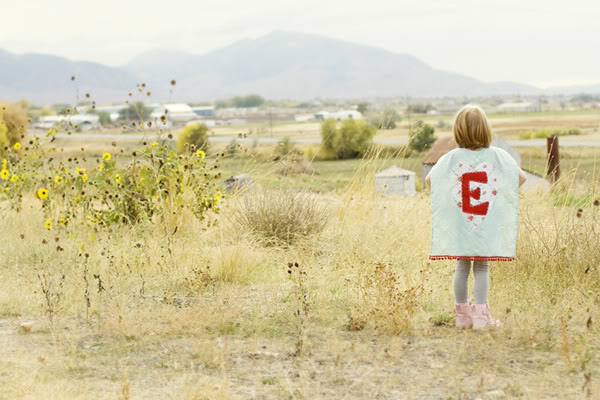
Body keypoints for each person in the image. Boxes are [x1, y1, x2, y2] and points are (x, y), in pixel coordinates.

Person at [426, 105, 527, 330]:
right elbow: (520, 179)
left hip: (461, 224)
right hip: (485, 223)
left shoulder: (450, 158)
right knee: (482, 268)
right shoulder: (498, 156)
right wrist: (496, 193)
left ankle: (462, 318)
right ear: (485, 129)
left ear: (458, 130)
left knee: (461, 267)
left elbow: (430, 181)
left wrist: (453, 194)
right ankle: (482, 319)